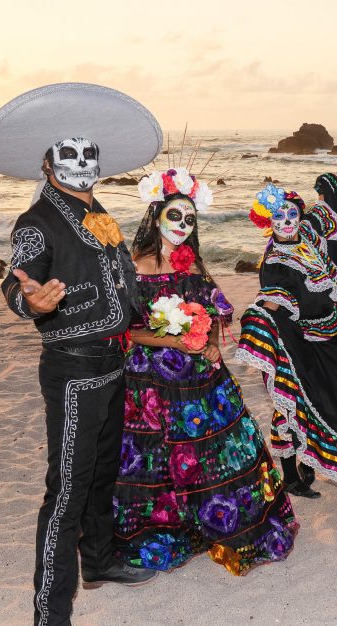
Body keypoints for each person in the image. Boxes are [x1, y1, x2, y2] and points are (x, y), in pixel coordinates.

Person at [0, 83, 163, 626]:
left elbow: (116, 279)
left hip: (113, 363)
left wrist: (151, 312)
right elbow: (16, 282)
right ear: (47, 164)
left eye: (90, 156)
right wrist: (31, 300)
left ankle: (100, 561)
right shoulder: (37, 223)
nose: (82, 165)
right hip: (74, 370)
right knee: (68, 491)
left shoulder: (97, 212)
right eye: (69, 156)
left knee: (105, 470)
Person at [112, 167, 298, 577]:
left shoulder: (192, 264)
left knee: (216, 452)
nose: (182, 226)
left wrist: (212, 340)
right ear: (156, 216)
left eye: (190, 219)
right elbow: (130, 330)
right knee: (157, 458)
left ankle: (225, 526)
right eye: (175, 217)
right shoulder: (135, 266)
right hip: (151, 382)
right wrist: (173, 341)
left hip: (200, 375)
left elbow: (213, 310)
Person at [236, 174, 337, 496]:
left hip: (330, 336)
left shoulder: (310, 239)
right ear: (267, 220)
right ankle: (289, 476)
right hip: (294, 342)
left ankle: (307, 458)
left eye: (292, 214)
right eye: (278, 216)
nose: (287, 221)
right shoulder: (274, 260)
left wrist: (326, 188)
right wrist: (259, 318)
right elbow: (274, 298)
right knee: (290, 403)